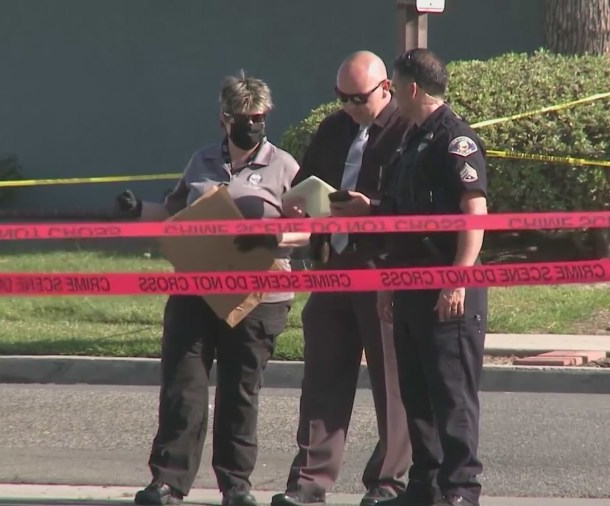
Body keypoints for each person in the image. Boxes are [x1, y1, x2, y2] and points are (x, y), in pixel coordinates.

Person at [115, 72, 309, 506]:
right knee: (183, 385)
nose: (253, 125)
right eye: (244, 117)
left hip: (258, 295)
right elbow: (173, 211)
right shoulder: (201, 160)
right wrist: (136, 209)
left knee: (240, 392)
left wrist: (269, 239)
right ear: (225, 118)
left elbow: (309, 230)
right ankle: (168, 480)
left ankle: (236, 484)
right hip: (196, 287)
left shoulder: (285, 166)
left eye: (260, 117)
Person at [271, 50, 413, 506]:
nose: (350, 106)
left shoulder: (407, 130)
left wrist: (370, 209)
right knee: (323, 377)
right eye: (342, 97)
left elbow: (415, 204)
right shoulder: (333, 129)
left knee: (392, 380)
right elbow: (308, 182)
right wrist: (296, 204)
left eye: (359, 98)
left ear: (386, 88)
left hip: (382, 265)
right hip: (333, 264)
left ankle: (388, 483)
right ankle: (308, 483)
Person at [375, 48, 490, 506]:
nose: (393, 99)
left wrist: (458, 279)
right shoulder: (409, 141)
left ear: (413, 88)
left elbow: (474, 215)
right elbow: (400, 220)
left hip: (447, 289)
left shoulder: (455, 141)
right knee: (417, 393)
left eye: (394, 89)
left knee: (452, 395)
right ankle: (426, 487)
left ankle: (460, 490)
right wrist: (387, 282)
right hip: (409, 285)